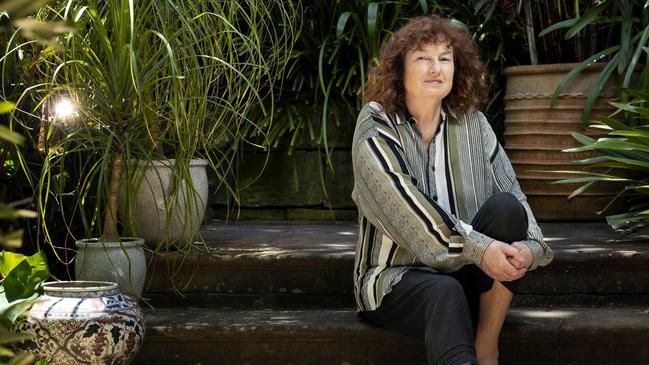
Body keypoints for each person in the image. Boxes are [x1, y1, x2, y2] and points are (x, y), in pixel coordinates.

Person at [351, 15, 554, 365]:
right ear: (399, 70)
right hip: (392, 281)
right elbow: (406, 211)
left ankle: (486, 347)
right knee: (443, 291)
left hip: (466, 276)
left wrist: (532, 248)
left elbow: (514, 195)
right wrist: (482, 248)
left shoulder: (473, 123)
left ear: (457, 68)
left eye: (445, 58)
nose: (436, 68)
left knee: (506, 209)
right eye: (422, 58)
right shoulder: (375, 123)